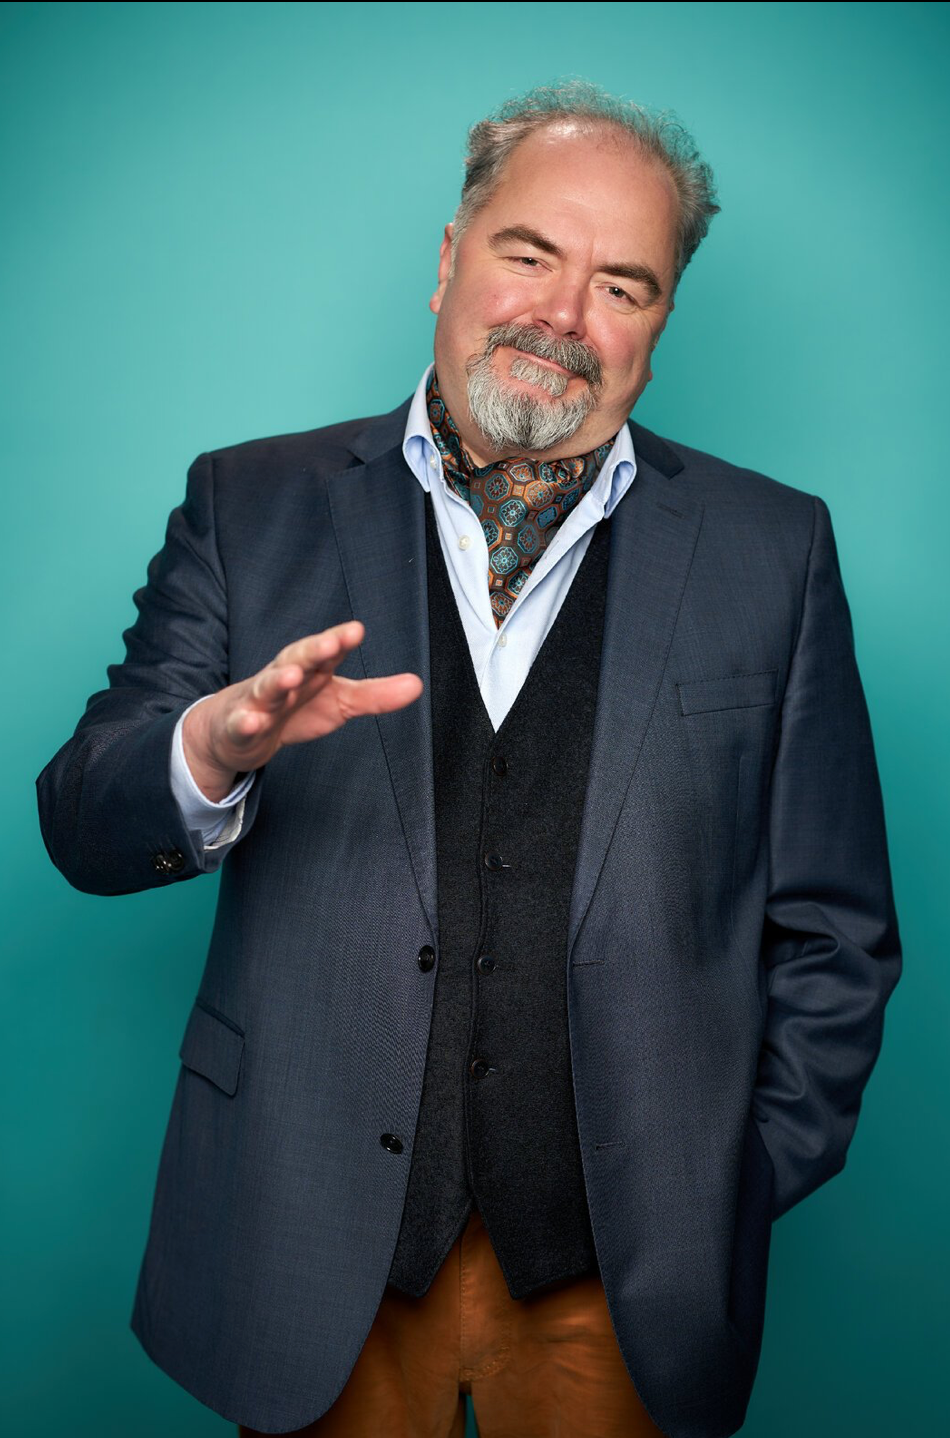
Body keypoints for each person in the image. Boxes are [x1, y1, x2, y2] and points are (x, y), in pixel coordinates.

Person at [36, 81, 902, 1438]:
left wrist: (724, 1181)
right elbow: (82, 821)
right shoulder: (247, 504)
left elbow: (836, 932)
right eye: (529, 254)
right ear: (450, 258)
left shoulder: (772, 549)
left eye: (621, 284)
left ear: (661, 323)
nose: (563, 315)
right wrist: (208, 749)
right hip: (307, 1245)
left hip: (622, 1285)